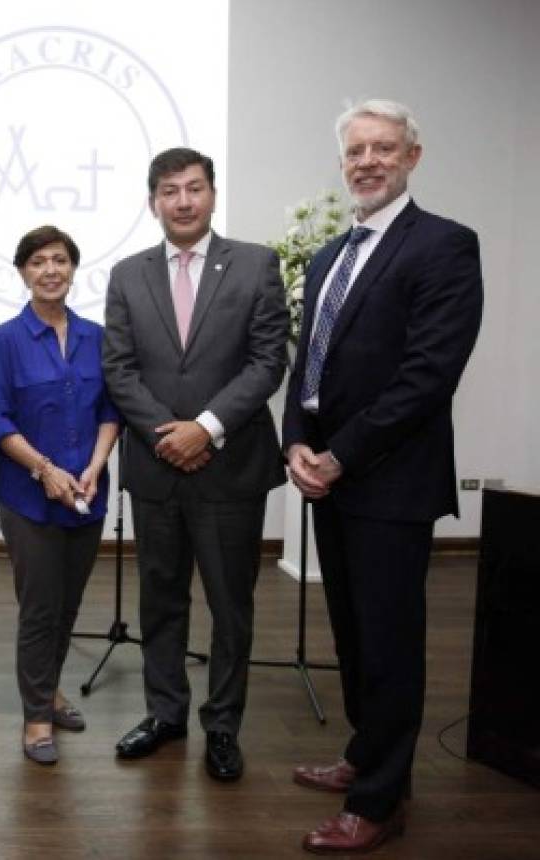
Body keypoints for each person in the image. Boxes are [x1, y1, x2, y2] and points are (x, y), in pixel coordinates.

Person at [283, 100, 482, 854]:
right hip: (330, 478)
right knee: (355, 635)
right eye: (356, 150)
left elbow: (427, 377)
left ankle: (380, 799)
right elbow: (312, 363)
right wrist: (297, 441)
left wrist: (341, 455)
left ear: (412, 157)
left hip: (389, 481)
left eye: (384, 148)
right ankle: (366, 756)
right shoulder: (334, 251)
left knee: (392, 644)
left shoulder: (444, 246)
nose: (368, 161)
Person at [103, 147, 288, 781]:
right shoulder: (128, 274)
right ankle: (166, 713)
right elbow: (118, 368)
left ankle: (223, 725)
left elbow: (268, 362)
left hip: (230, 468)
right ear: (152, 201)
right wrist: (169, 435)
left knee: (231, 604)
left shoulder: (257, 265)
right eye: (169, 191)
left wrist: (205, 428)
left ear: (212, 193)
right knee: (161, 599)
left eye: (194, 188)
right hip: (157, 467)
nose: (183, 201)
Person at [0, 225, 119, 765]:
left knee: (68, 604)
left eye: (59, 260)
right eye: (38, 261)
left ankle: (51, 689)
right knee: (40, 608)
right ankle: (36, 716)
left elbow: (111, 410)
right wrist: (45, 471)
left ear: (72, 268)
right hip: (29, 496)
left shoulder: (98, 337)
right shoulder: (5, 340)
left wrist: (93, 466)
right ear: (22, 272)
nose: (50, 270)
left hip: (87, 491)